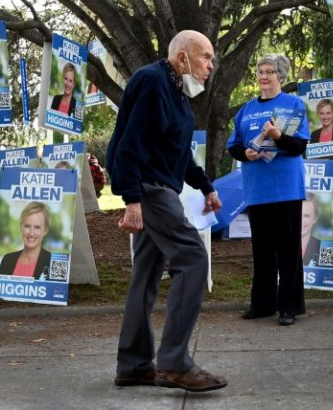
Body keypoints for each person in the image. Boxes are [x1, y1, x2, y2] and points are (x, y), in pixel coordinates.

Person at [106, 29, 227, 392]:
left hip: (158, 187)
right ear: (182, 57)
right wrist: (131, 201)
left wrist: (206, 185)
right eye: (205, 56)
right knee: (192, 257)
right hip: (150, 189)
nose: (211, 65)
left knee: (145, 276)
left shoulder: (176, 94)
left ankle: (134, 365)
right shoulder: (152, 82)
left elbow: (177, 153)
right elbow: (129, 145)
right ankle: (174, 362)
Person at [227, 53, 309, 327]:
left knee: (287, 249)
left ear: (281, 76)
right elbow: (234, 146)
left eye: (269, 72)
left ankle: (289, 307)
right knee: (262, 251)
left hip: (286, 188)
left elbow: (299, 147)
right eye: (260, 71)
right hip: (257, 189)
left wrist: (278, 137)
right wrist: (245, 153)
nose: (263, 76)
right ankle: (262, 304)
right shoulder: (246, 110)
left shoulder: (293, 104)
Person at [0, 202, 51, 279]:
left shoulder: (53, 263)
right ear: (21, 227)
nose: (31, 233)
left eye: (37, 227)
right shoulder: (7, 260)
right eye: (27, 226)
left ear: (45, 230)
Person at [302, 193, 322, 267]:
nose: (300, 220)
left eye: (306, 216)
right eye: (297, 214)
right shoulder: (277, 245)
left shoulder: (322, 247)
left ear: (315, 218)